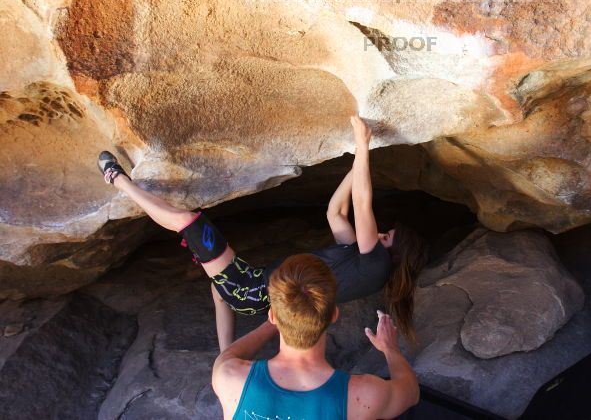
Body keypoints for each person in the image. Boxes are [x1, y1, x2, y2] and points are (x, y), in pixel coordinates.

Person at [97, 115, 428, 350]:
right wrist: (358, 158)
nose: (381, 233)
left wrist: (363, 145)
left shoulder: (377, 266)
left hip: (252, 289)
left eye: (387, 237)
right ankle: (226, 353)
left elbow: (361, 201)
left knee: (189, 222)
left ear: (395, 253)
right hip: (251, 285)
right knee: (218, 287)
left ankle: (118, 180)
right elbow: (337, 211)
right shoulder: (360, 263)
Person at [212, 253, 420, 420]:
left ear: (272, 314)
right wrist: (390, 349)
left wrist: (278, 319)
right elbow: (411, 391)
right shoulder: (364, 394)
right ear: (334, 314)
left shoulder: (230, 377)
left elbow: (229, 354)